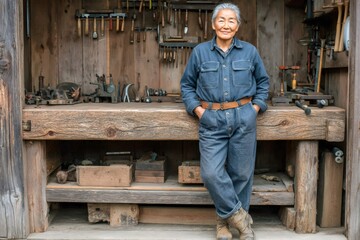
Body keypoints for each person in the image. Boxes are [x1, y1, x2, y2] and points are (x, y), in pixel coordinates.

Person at [180, 2, 269, 240]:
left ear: (237, 26)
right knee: (211, 173)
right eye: (221, 20)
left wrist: (255, 108)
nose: (226, 25)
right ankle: (240, 219)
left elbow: (263, 83)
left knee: (241, 174)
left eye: (231, 21)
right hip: (212, 120)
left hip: (243, 117)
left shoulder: (250, 52)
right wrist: (199, 111)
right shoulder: (200, 52)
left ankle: (223, 225)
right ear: (213, 24)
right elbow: (187, 86)